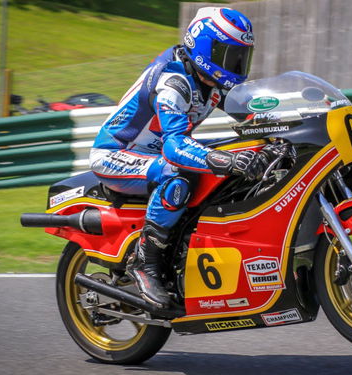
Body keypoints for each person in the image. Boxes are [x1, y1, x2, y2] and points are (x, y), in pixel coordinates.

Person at [89, 7, 272, 309]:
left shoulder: (211, 82)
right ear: (204, 49)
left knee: (238, 149)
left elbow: (254, 113)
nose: (236, 65)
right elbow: (174, 147)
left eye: (241, 56)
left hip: (153, 155)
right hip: (116, 155)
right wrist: (225, 161)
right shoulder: (174, 80)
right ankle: (144, 265)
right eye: (228, 54)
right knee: (178, 175)